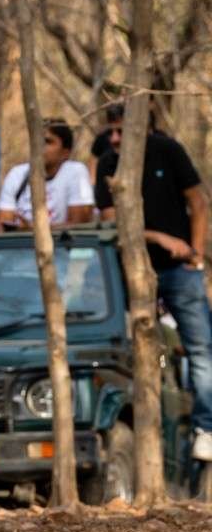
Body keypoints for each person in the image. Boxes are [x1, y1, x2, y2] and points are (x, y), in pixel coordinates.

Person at [94, 123, 212, 460]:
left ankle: (206, 428)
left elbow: (198, 201)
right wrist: (160, 238)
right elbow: (112, 220)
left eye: (121, 130)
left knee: (201, 346)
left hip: (179, 269)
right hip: (129, 267)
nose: (115, 139)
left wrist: (196, 254)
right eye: (110, 132)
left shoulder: (169, 150)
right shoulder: (107, 163)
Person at [0, 121, 94, 228]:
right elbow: (5, 224)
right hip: (19, 244)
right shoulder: (17, 174)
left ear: (65, 153)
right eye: (36, 140)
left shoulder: (75, 172)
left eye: (48, 141)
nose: (40, 146)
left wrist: (32, 229)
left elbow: (79, 226)